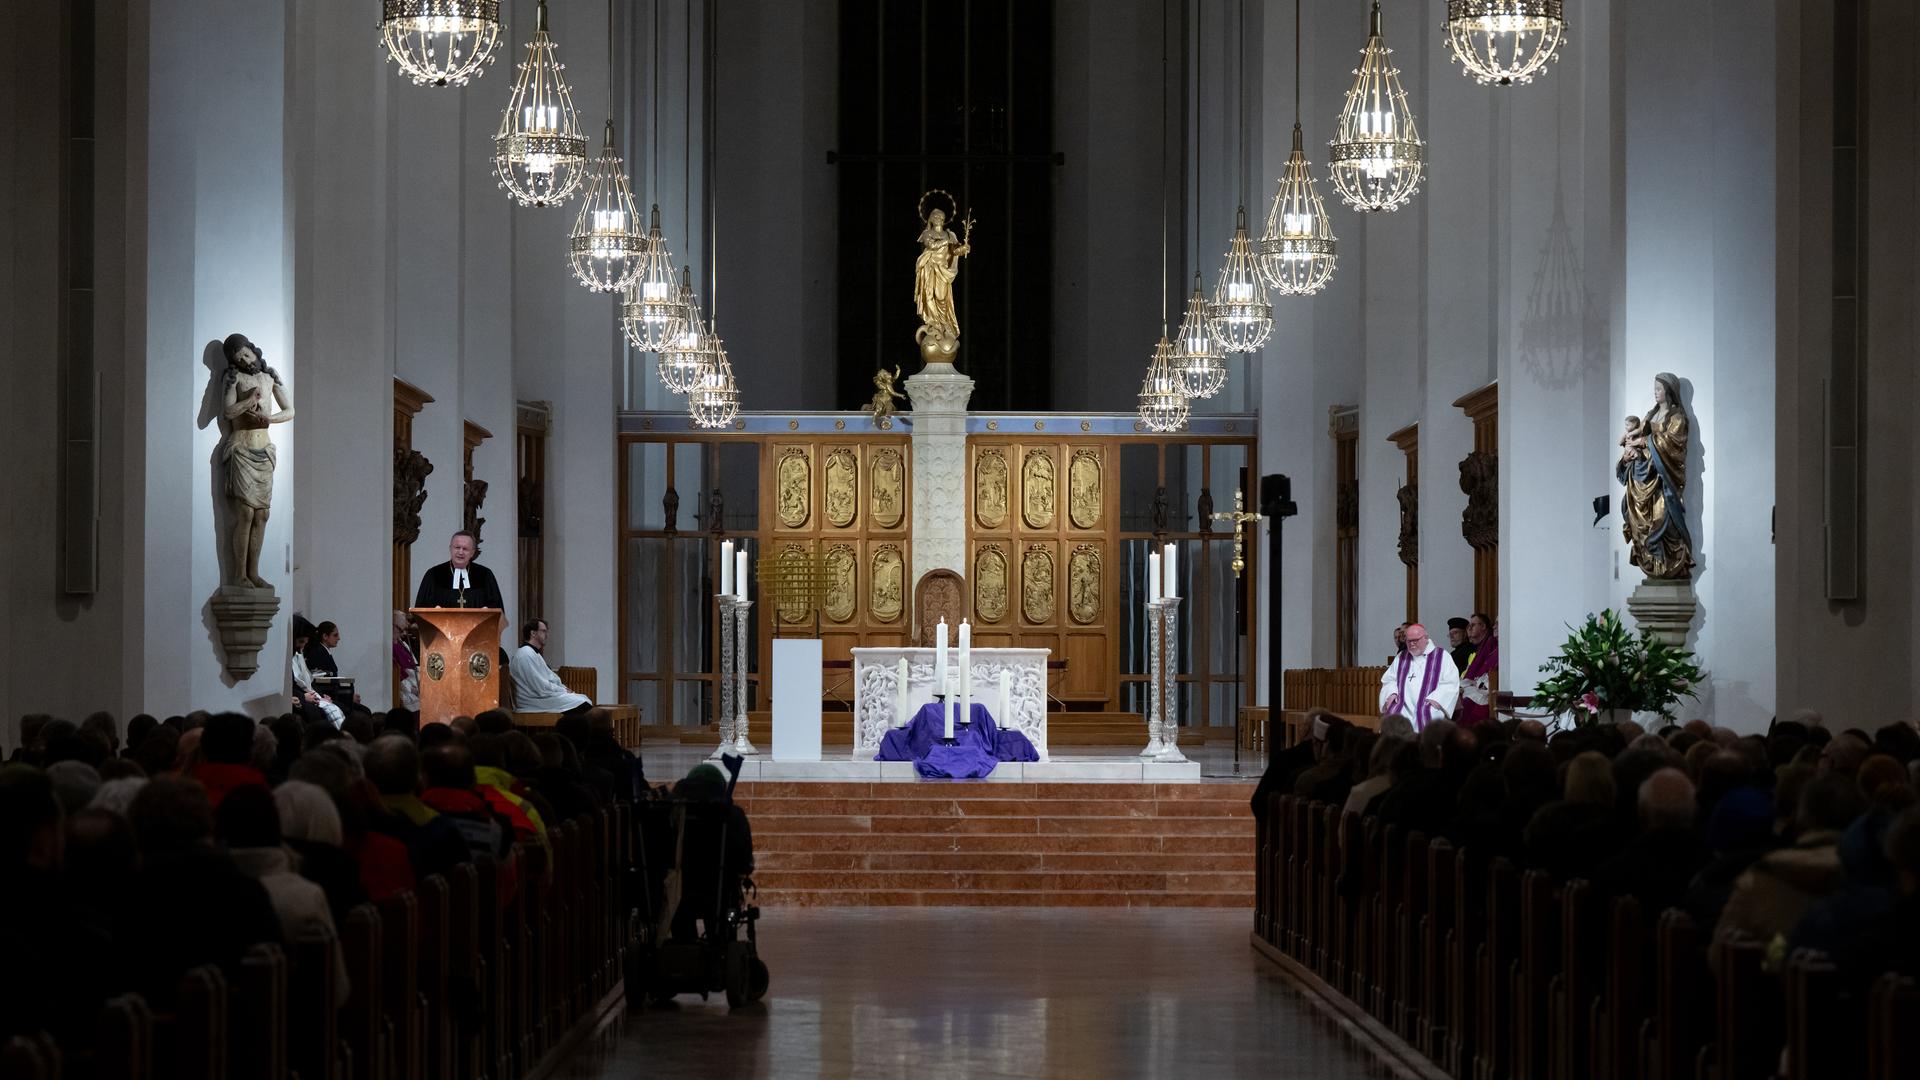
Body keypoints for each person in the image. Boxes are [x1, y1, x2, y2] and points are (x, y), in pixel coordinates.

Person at [1378, 622, 1460, 731]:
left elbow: (1451, 682)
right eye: (1409, 641)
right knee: (1393, 723)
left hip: (1428, 705)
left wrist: (1437, 699)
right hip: (1403, 706)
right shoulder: (1401, 657)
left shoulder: (1442, 656)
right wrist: (1392, 692)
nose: (1412, 644)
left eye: (1415, 640)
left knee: (1429, 718)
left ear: (1425, 638)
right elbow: (1389, 680)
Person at [508, 619, 592, 714]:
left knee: (583, 699)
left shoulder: (534, 654)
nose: (546, 635)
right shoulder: (525, 654)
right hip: (532, 701)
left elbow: (551, 678)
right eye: (543, 631)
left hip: (540, 697)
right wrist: (562, 690)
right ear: (533, 633)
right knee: (582, 703)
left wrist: (563, 689)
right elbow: (539, 685)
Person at [414, 530, 504, 609]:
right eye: (457, 547)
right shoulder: (434, 574)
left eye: (465, 549)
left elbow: (497, 608)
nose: (460, 552)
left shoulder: (484, 574)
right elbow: (421, 607)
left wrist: (487, 611)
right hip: (443, 628)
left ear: (472, 553)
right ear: (450, 549)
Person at [291, 621, 346, 730]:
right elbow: (291, 684)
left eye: (305, 643)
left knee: (340, 707)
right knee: (315, 713)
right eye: (301, 642)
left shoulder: (299, 653)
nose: (302, 646)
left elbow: (308, 681)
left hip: (309, 694)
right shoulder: (309, 653)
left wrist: (321, 695)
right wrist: (303, 697)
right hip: (299, 696)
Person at [1456, 613, 1500, 728]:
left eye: (1473, 625)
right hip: (1479, 688)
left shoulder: (1492, 643)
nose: (1494, 627)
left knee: (1465, 704)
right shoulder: (1488, 644)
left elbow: (1490, 674)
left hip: (1487, 692)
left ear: (1484, 626)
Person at [393, 611, 421, 712]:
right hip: (406, 689)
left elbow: (414, 665)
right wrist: (412, 688)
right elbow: (397, 674)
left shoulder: (402, 643)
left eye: (405, 630)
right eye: (401, 630)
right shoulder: (390, 647)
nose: (404, 634)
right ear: (393, 626)